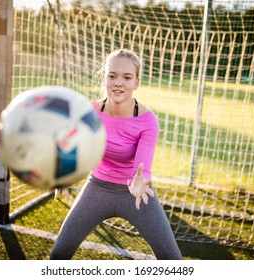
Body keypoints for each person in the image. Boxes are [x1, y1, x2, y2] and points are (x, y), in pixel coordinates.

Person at [51, 49, 182, 260]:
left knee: (172, 260)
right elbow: (75, 148)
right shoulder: (89, 112)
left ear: (136, 82)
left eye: (127, 77)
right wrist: (65, 174)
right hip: (97, 188)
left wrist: (139, 184)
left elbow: (142, 169)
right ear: (105, 79)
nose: (118, 82)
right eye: (112, 76)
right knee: (59, 254)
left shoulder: (148, 121)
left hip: (136, 194)